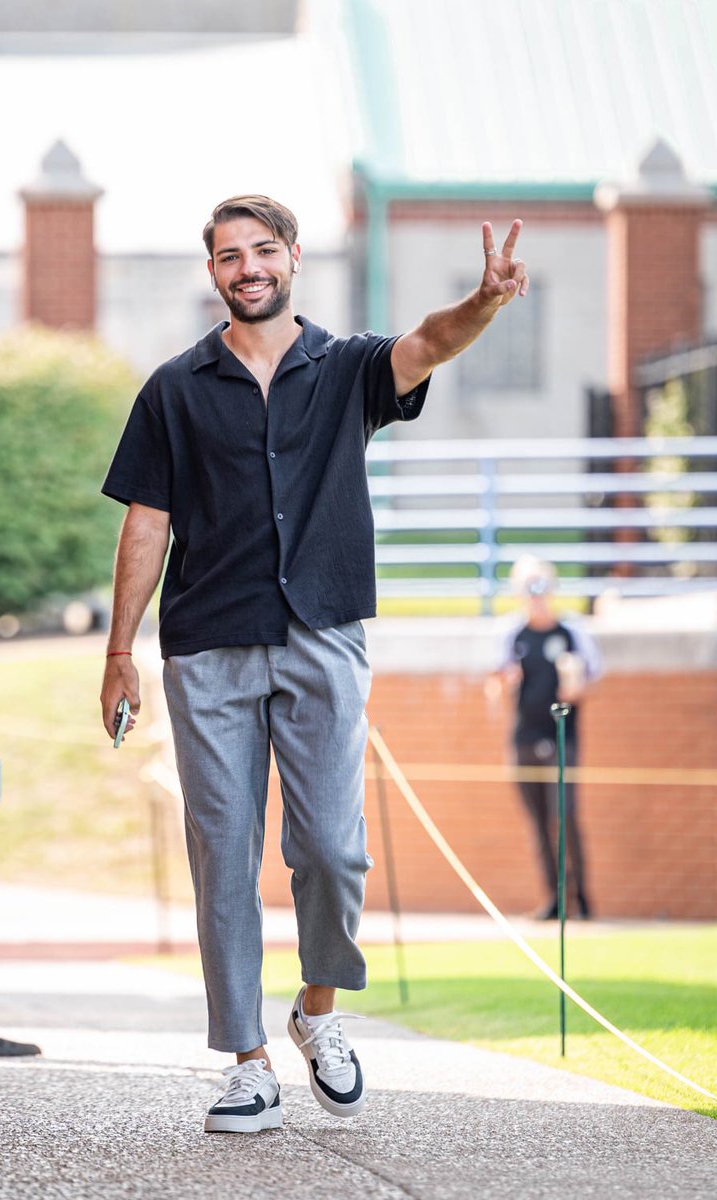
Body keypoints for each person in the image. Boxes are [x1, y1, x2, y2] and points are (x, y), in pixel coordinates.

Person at [99, 195, 530, 1133]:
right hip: (208, 644)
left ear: (293, 257)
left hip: (323, 633)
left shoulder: (349, 368)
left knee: (332, 849)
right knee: (222, 856)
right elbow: (146, 521)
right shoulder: (174, 388)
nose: (246, 267)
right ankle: (246, 1060)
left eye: (262, 250)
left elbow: (428, 341)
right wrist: (119, 649)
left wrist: (484, 303)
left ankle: (317, 1015)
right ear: (211, 272)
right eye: (227, 256)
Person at [493, 555, 602, 920]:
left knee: (565, 816)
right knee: (538, 822)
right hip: (525, 735)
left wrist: (576, 687)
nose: (536, 595)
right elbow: (496, 681)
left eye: (541, 586)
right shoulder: (513, 634)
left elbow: (592, 677)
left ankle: (581, 897)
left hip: (562, 737)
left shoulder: (570, 633)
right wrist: (503, 685)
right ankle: (554, 899)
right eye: (529, 587)